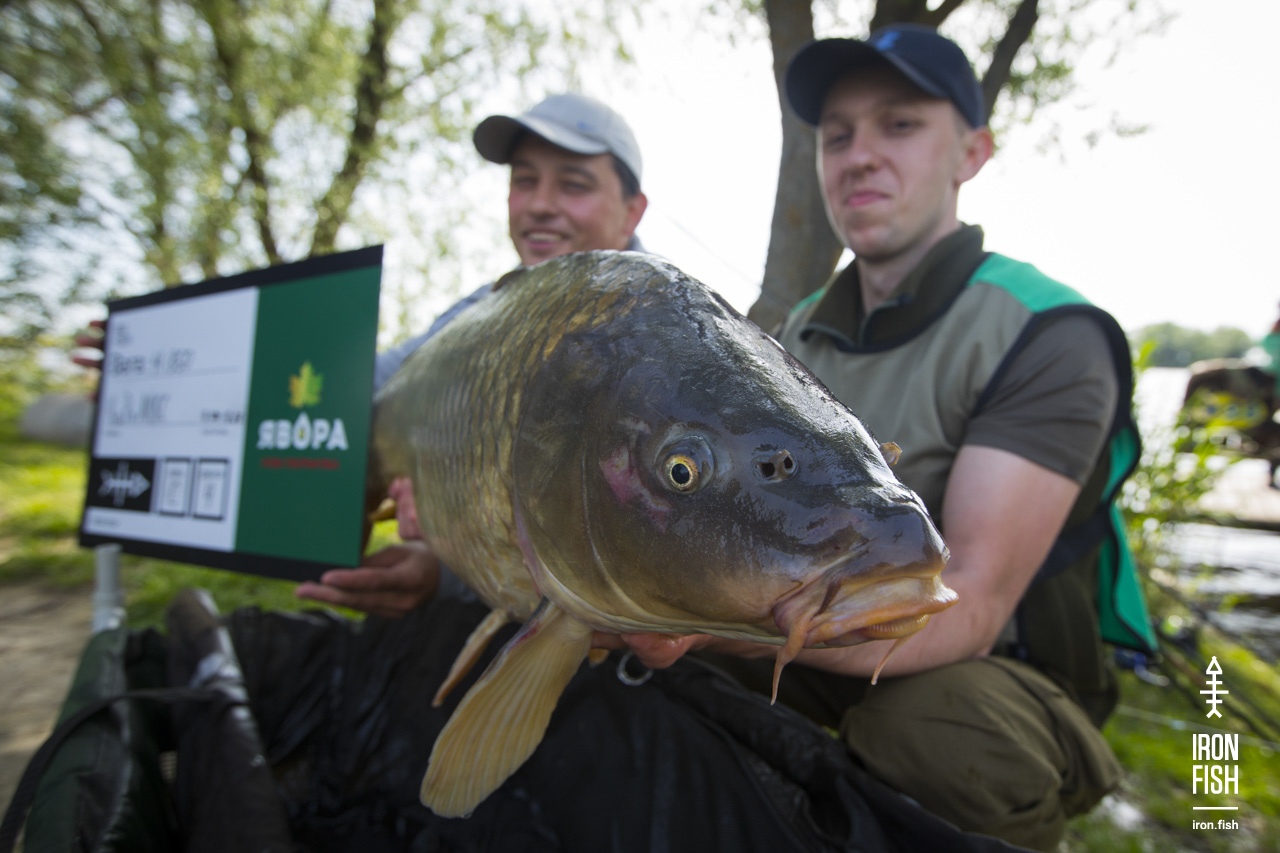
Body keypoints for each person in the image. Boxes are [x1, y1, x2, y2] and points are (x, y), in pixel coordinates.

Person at [603, 25, 1156, 852]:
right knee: (634, 668)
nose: (859, 156)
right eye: (837, 136)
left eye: (899, 125)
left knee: (937, 732)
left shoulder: (1049, 332)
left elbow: (972, 599)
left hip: (1003, 669)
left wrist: (708, 624)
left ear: (972, 152)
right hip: (821, 620)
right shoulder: (787, 336)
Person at [293, 93, 649, 616]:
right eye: (524, 181)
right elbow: (365, 389)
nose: (539, 204)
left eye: (573, 184)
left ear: (631, 212)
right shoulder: (482, 310)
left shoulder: (671, 347)